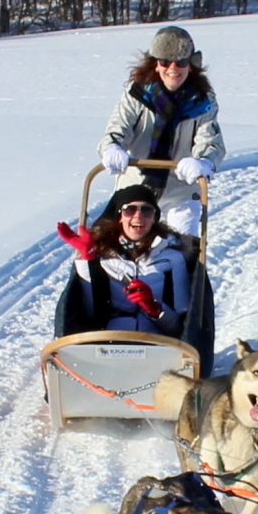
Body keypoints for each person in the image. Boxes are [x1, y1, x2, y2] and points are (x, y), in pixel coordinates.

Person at [100, 25, 223, 237]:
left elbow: (211, 142)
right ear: (156, 64)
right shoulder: (137, 95)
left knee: (182, 251)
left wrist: (202, 162)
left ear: (191, 65)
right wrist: (112, 147)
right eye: (165, 61)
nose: (173, 68)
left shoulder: (203, 102)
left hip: (180, 192)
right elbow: (118, 128)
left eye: (181, 62)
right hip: (136, 188)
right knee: (108, 247)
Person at [56, 185, 192, 334]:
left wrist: (153, 307)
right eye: (130, 209)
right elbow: (90, 314)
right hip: (109, 340)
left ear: (154, 218)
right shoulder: (103, 255)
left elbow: (181, 326)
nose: (138, 216)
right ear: (120, 217)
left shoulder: (173, 258)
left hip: (155, 342)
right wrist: (86, 258)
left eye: (146, 210)